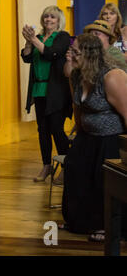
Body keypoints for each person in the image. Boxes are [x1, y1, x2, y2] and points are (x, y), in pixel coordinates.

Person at [61, 33, 127, 241]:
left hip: (111, 139)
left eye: (75, 52)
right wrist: (78, 134)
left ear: (90, 54)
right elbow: (77, 107)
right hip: (88, 135)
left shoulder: (111, 76)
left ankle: (107, 226)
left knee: (103, 181)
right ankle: (79, 221)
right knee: (73, 168)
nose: (71, 55)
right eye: (71, 51)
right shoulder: (76, 75)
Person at [20, 6, 72, 183]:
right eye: (46, 16)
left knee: (57, 129)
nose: (48, 19)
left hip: (57, 91)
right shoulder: (39, 37)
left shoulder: (63, 37)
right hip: (39, 90)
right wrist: (28, 42)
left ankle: (67, 167)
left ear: (59, 20)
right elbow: (26, 57)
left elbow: (51, 54)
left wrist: (33, 39)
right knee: (42, 131)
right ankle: (46, 166)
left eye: (53, 17)